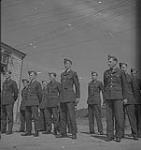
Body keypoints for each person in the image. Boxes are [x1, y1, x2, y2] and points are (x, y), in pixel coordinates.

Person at [103, 55, 127, 142]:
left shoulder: (120, 72)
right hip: (109, 98)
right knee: (109, 118)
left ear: (115, 62)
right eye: (108, 61)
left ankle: (118, 135)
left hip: (118, 97)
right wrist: (105, 99)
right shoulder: (106, 72)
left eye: (110, 61)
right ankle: (110, 135)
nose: (108, 63)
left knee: (118, 117)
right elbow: (105, 86)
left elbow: (124, 86)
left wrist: (125, 97)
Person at [57, 58, 80, 139]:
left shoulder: (73, 73)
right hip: (63, 97)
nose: (66, 65)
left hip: (70, 97)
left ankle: (74, 133)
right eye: (65, 64)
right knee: (62, 116)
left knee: (71, 116)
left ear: (70, 64)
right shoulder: (62, 74)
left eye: (67, 63)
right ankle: (63, 133)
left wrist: (77, 96)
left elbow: (77, 85)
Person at [119, 63, 138, 140]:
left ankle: (135, 135)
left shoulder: (130, 77)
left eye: (124, 67)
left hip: (130, 100)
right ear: (120, 68)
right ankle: (121, 134)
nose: (123, 69)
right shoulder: (118, 77)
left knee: (132, 118)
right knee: (120, 118)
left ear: (126, 68)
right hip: (120, 100)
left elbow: (134, 89)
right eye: (122, 67)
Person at [21, 71, 42, 137]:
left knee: (35, 117)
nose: (30, 76)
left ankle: (36, 131)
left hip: (34, 102)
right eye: (30, 75)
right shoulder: (29, 84)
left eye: (31, 75)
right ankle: (28, 131)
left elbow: (40, 94)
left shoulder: (37, 83)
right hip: (28, 103)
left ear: (35, 76)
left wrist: (38, 102)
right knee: (27, 117)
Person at [1, 70, 18, 135]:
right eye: (5, 74)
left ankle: (9, 130)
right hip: (3, 101)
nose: (6, 75)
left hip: (9, 101)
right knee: (3, 116)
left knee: (9, 116)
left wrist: (13, 100)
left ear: (10, 75)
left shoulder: (13, 82)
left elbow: (16, 92)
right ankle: (3, 129)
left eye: (7, 74)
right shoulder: (4, 82)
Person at [131, 68, 141, 138]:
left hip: (138, 101)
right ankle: (134, 132)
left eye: (135, 73)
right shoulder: (129, 81)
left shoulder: (139, 81)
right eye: (133, 73)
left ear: (136, 73)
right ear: (131, 73)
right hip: (131, 101)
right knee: (133, 118)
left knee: (139, 118)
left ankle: (139, 132)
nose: (134, 74)